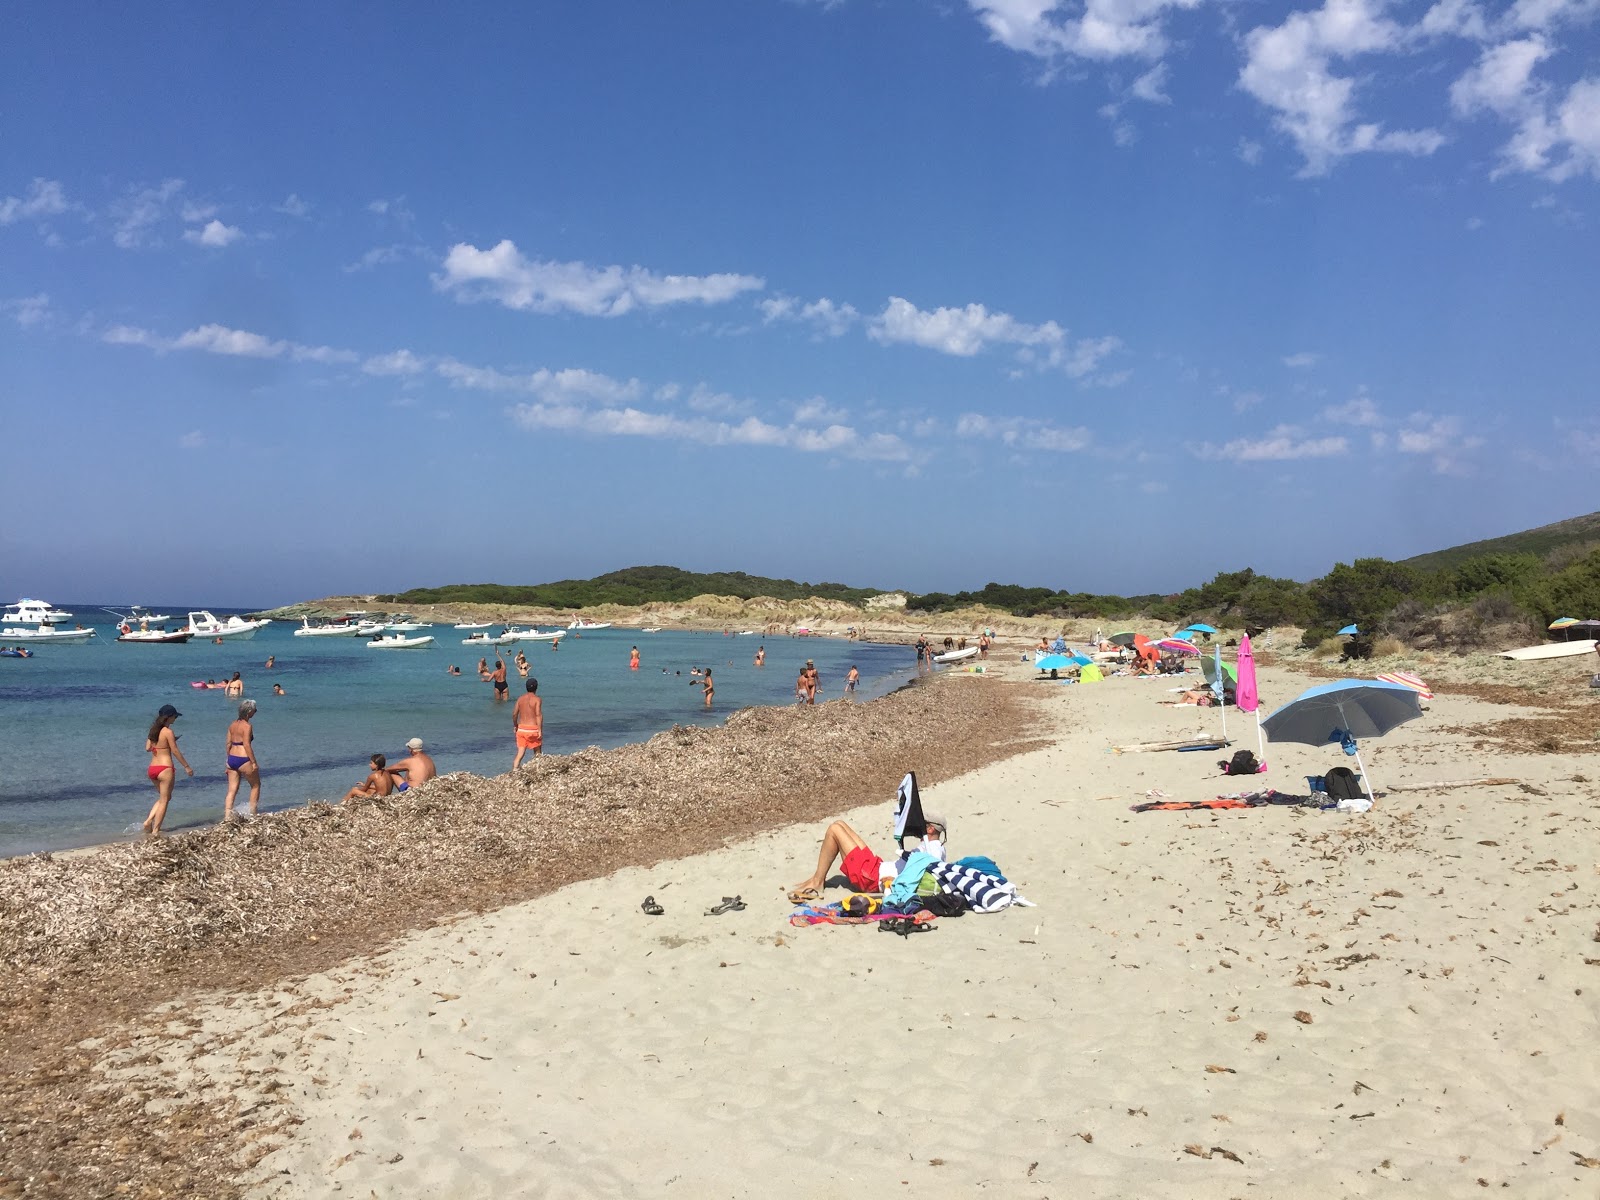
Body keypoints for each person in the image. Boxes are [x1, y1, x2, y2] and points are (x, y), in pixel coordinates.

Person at [785, 813, 947, 904]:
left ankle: (817, 882)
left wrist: (893, 884)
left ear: (931, 829)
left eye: (923, 823)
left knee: (834, 830)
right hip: (877, 866)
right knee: (840, 824)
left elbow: (920, 876)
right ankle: (816, 878)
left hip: (872, 877)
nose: (918, 825)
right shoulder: (933, 846)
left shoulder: (933, 850)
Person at [142, 703, 193, 837]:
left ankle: (148, 821)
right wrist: (186, 766)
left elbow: (147, 748)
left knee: (164, 797)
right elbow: (175, 751)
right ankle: (155, 831)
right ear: (168, 717)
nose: (175, 719)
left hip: (152, 768)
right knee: (165, 800)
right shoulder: (168, 732)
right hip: (165, 769)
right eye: (174, 717)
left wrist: (157, 746)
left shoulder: (153, 731)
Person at [222, 699, 261, 821]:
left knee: (232, 790)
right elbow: (247, 745)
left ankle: (227, 817)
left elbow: (228, 744)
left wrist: (228, 761)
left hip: (232, 759)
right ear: (249, 712)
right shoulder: (247, 726)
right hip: (244, 758)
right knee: (255, 785)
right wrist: (254, 762)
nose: (255, 712)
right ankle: (253, 814)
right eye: (255, 710)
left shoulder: (232, 724)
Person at [512, 678, 543, 767]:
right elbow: (538, 715)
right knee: (537, 752)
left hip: (521, 729)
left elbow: (514, 714)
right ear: (536, 688)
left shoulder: (520, 699)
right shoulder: (537, 699)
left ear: (526, 687)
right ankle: (538, 769)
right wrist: (540, 730)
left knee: (520, 754)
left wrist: (515, 725)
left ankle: (515, 771)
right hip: (533, 729)